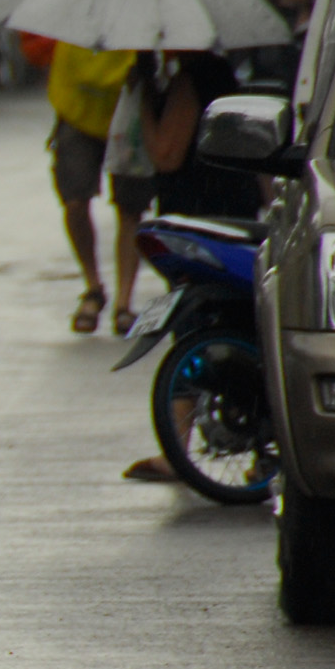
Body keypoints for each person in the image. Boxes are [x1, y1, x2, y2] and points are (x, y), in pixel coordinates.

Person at [120, 48, 256, 484]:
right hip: (228, 213)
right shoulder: (221, 74)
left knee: (196, 325)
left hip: (202, 219)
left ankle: (178, 447)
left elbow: (165, 153)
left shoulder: (191, 79)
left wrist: (139, 95)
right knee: (217, 326)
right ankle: (183, 445)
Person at [45, 0, 139, 334]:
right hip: (77, 108)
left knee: (131, 207)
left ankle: (124, 299)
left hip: (128, 105)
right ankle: (92, 285)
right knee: (76, 199)